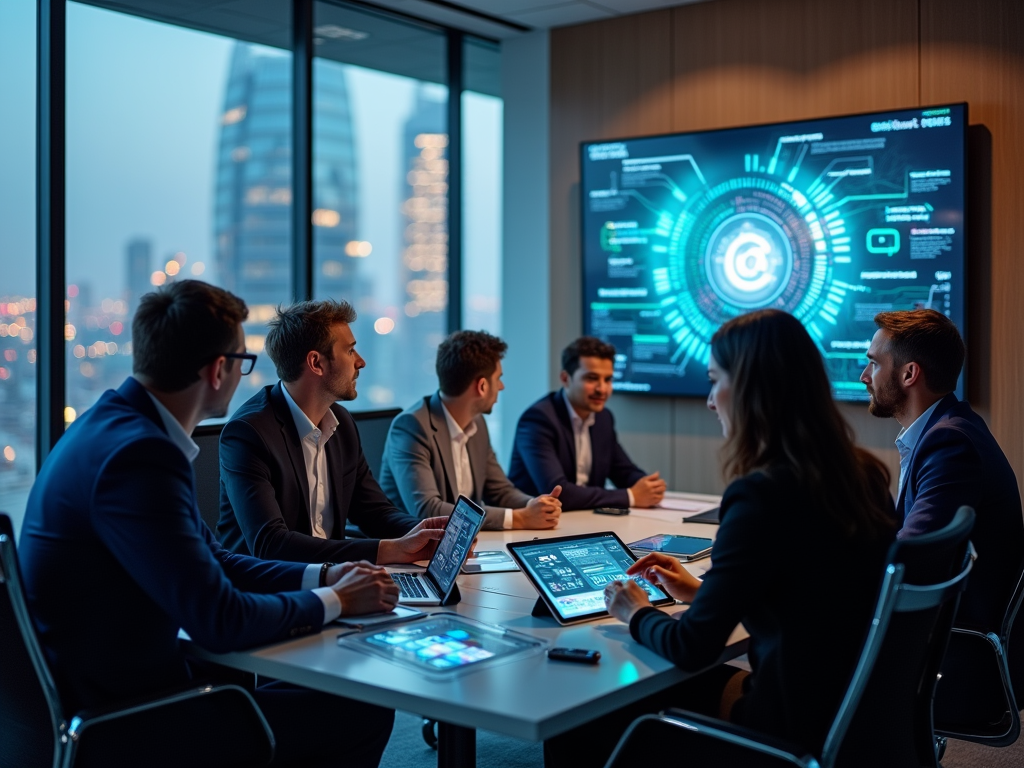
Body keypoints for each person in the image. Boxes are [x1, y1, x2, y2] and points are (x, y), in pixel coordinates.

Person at [19, 281, 400, 767]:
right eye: (243, 363)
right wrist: (337, 600)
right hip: (134, 721)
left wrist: (325, 577)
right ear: (218, 370)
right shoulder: (141, 456)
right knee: (360, 709)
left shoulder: (111, 427)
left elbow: (213, 559)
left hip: (117, 694)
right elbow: (219, 620)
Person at [547, 310, 897, 767]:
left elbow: (692, 647)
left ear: (752, 387)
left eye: (715, 381)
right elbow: (813, 593)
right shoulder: (864, 474)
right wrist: (702, 591)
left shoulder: (760, 495)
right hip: (853, 716)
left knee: (584, 712)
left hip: (783, 733)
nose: (711, 400)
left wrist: (635, 611)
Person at [861, 308, 1024, 713]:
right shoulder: (950, 429)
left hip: (955, 657)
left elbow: (913, 558)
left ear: (908, 374)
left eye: (873, 363)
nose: (865, 375)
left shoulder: (950, 444)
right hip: (946, 639)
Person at [217, 299, 446, 564]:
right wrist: (389, 550)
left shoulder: (341, 423)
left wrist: (432, 532)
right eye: (350, 351)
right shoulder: (249, 433)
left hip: (335, 580)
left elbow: (375, 512)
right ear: (316, 362)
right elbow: (271, 544)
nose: (360, 362)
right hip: (267, 591)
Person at [379, 330, 562, 531]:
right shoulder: (411, 426)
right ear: (482, 386)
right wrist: (518, 518)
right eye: (498, 378)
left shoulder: (478, 423)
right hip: (411, 551)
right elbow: (428, 510)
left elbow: (500, 491)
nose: (501, 386)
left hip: (464, 544)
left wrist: (535, 505)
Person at [508, 336, 665, 511]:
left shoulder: (603, 418)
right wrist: (631, 496)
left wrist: (648, 486)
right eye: (592, 378)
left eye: (608, 380)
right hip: (535, 527)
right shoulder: (538, 419)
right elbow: (558, 492)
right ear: (565, 378)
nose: (602, 389)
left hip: (582, 520)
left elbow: (623, 470)